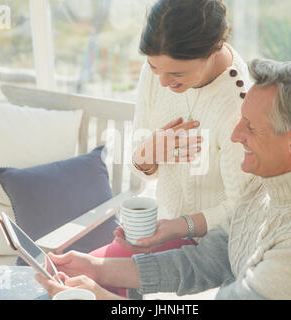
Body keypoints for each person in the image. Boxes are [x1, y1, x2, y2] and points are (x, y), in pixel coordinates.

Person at [36, 59, 291, 299]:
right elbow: (215, 256)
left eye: (251, 126)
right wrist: (99, 269)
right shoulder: (274, 178)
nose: (234, 135)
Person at [87, 0, 252, 295]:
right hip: (161, 226)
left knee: (86, 281)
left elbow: (240, 210)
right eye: (153, 67)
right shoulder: (161, 65)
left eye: (177, 75)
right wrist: (149, 152)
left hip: (205, 248)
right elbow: (144, 167)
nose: (162, 81)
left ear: (213, 49)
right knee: (70, 276)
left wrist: (178, 227)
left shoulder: (236, 106)